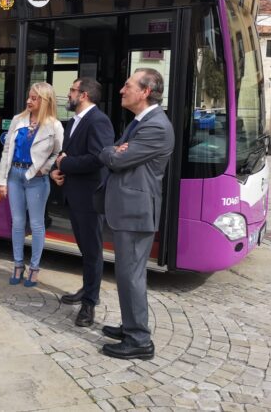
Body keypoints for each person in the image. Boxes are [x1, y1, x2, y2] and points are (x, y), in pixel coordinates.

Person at [97, 68, 174, 360]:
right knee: (127, 273)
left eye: (128, 85)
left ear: (145, 91)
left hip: (135, 212)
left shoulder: (156, 126)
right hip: (129, 211)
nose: (121, 90)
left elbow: (116, 159)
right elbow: (115, 151)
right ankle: (131, 326)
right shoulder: (141, 121)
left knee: (131, 276)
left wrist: (113, 152)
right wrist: (115, 150)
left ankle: (139, 339)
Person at [50, 78, 114, 327]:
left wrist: (65, 164)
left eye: (72, 90)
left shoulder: (99, 121)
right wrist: (57, 170)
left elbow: (99, 158)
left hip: (89, 198)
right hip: (74, 194)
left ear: (84, 94)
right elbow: (66, 154)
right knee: (85, 249)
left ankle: (89, 303)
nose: (68, 94)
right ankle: (87, 289)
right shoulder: (75, 120)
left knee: (92, 251)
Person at [0, 83, 63, 288]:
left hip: (36, 179)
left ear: (45, 101)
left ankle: (34, 268)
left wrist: (45, 169)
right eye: (29, 97)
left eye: (34, 98)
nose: (28, 101)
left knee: (36, 224)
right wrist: (2, 180)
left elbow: (57, 153)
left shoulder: (54, 125)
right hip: (14, 175)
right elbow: (7, 150)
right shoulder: (18, 119)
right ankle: (18, 265)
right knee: (17, 223)